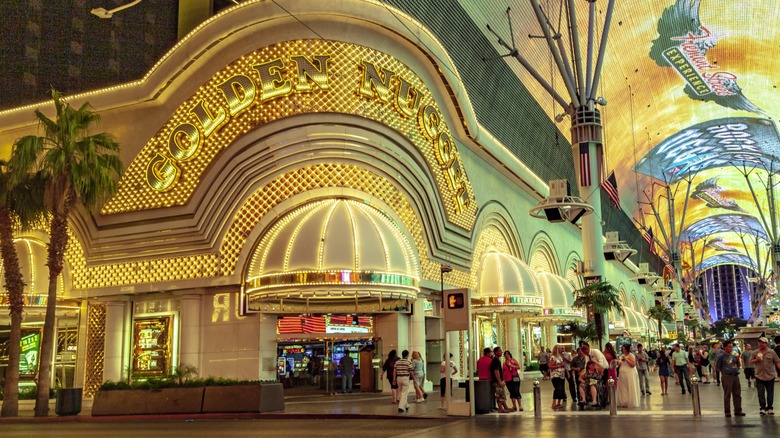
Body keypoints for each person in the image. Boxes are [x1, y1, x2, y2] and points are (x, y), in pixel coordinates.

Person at [750, 337, 780, 415]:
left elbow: (777, 362)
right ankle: (762, 408)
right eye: (759, 342)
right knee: (760, 393)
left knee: (770, 393)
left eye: (763, 342)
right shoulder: (755, 352)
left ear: (766, 343)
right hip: (759, 376)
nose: (761, 344)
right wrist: (757, 360)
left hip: (770, 376)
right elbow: (750, 361)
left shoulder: (772, 352)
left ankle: (770, 407)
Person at [716, 340, 745, 417]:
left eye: (732, 347)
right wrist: (724, 371)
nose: (731, 348)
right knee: (727, 394)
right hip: (727, 377)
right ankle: (727, 411)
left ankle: (738, 410)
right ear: (725, 347)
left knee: (737, 394)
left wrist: (738, 358)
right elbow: (718, 367)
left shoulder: (733, 356)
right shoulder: (721, 356)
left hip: (735, 376)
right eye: (729, 347)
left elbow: (738, 365)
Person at [616, 344, 641, 408]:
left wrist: (626, 359)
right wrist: (618, 362)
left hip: (629, 373)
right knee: (623, 387)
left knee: (629, 386)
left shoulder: (631, 355)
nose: (623, 350)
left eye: (624, 349)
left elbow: (633, 365)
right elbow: (620, 364)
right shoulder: (622, 355)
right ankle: (624, 401)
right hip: (622, 373)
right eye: (622, 349)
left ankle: (631, 401)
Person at [491, 346, 511, 413]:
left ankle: (504, 407)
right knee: (500, 394)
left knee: (500, 394)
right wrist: (500, 381)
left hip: (498, 380)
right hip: (497, 381)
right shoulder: (496, 360)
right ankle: (501, 408)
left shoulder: (497, 360)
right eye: (500, 351)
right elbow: (496, 371)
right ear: (496, 352)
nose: (501, 352)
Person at [549, 345, 566, 409]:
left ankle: (559, 403)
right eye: (559, 349)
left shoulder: (560, 357)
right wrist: (559, 366)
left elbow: (563, 365)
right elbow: (550, 366)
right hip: (555, 375)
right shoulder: (553, 357)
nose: (560, 350)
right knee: (557, 389)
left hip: (562, 375)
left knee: (561, 389)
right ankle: (554, 403)